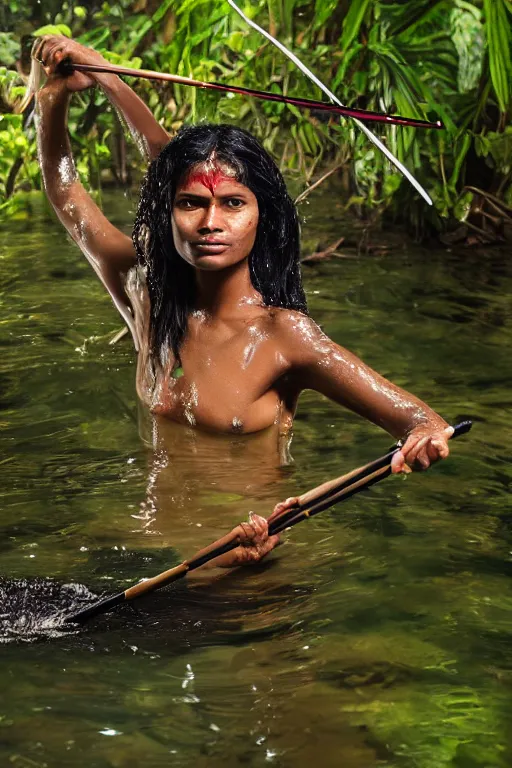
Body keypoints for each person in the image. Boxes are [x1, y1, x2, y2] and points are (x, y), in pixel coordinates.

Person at [34, 36, 453, 569]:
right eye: (191, 204)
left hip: (252, 560)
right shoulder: (148, 300)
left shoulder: (285, 336)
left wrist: (423, 439)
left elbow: (421, 422)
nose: (211, 223)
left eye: (233, 203)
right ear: (170, 212)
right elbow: (68, 194)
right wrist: (56, 98)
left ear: (263, 216)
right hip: (156, 549)